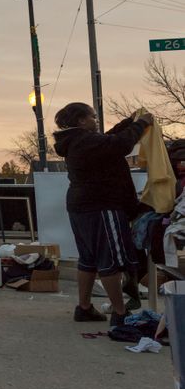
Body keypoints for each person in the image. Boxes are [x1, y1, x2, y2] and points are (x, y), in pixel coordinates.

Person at [52, 102, 153, 327]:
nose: (96, 121)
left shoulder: (76, 141)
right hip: (102, 206)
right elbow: (121, 143)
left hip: (82, 207)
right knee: (111, 261)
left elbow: (111, 138)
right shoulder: (85, 141)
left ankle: (85, 307)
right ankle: (120, 312)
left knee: (89, 259)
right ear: (81, 121)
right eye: (93, 117)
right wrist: (142, 124)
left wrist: (130, 121)